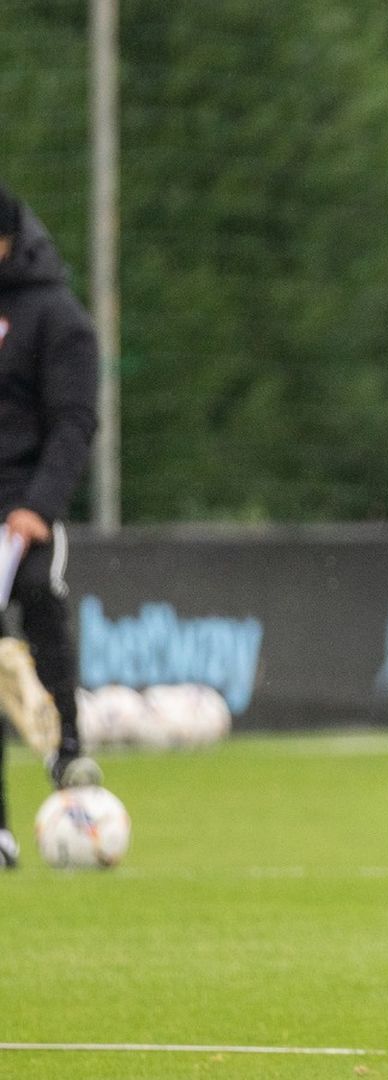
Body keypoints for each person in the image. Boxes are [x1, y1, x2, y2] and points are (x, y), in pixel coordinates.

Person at [0, 184, 104, 871]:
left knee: (38, 598)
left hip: (24, 509)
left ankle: (66, 746)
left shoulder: (56, 317)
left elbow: (73, 422)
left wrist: (39, 505)